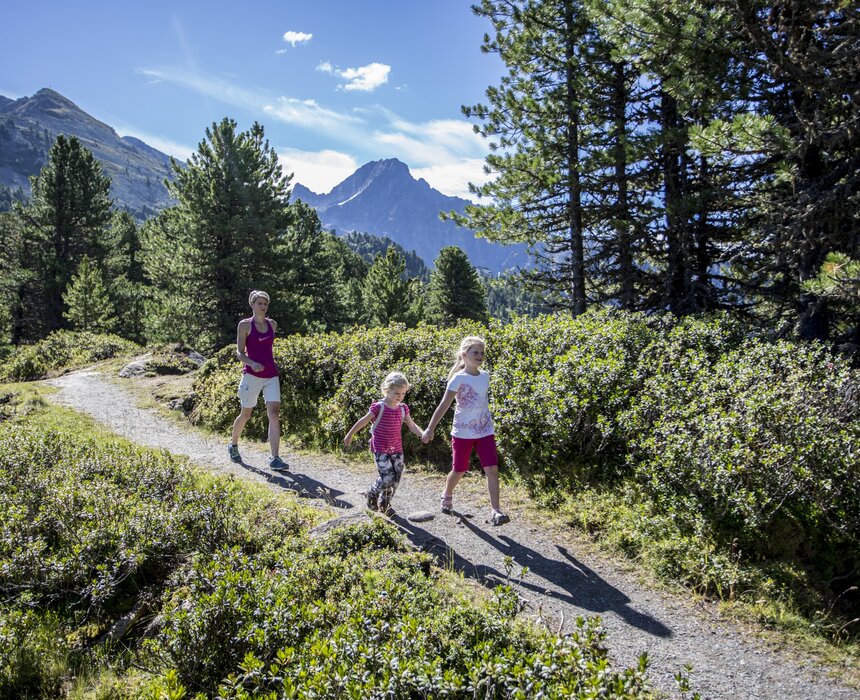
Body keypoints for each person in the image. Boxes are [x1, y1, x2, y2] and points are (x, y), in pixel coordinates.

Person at [422, 336, 510, 526]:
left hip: (485, 430)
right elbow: (444, 405)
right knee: (460, 469)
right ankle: (447, 493)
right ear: (464, 355)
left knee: (492, 469)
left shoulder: (485, 376)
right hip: (462, 433)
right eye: (475, 352)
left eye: (482, 352)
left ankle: (496, 511)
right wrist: (430, 428)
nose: (480, 356)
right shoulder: (458, 378)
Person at [344, 371, 424, 515]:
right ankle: (371, 492)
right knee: (387, 478)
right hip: (380, 448)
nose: (399, 397)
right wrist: (350, 433)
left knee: (396, 479)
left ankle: (385, 503)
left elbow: (412, 425)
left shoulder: (402, 408)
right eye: (396, 393)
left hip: (397, 449)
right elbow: (364, 420)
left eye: (403, 394)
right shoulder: (378, 407)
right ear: (387, 390)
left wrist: (423, 434)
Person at [227, 290, 289, 472]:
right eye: (260, 303)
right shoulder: (244, 326)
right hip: (251, 376)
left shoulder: (272, 324)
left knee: (274, 414)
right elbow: (239, 353)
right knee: (246, 414)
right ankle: (233, 445)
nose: (263, 306)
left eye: (265, 304)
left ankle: (275, 458)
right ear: (252, 305)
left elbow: (267, 349)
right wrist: (252, 364)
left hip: (271, 375)